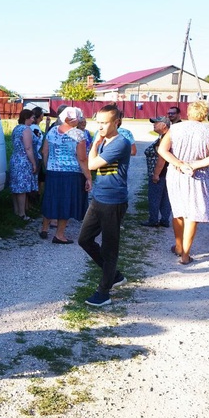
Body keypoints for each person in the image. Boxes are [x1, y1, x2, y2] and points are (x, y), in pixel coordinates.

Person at [79, 105, 131, 307]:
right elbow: (90, 162)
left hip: (114, 201)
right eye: (98, 122)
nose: (99, 126)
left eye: (104, 122)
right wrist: (96, 143)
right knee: (84, 240)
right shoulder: (102, 141)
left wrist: (94, 145)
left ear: (116, 122)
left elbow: (91, 165)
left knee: (110, 248)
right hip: (98, 198)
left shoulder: (121, 143)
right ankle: (115, 275)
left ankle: (104, 291)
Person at [157, 101, 209, 264]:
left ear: (188, 112)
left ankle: (178, 246)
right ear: (205, 114)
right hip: (198, 174)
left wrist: (179, 164)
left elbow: (162, 150)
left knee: (178, 210)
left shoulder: (175, 128)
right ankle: (185, 255)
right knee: (193, 213)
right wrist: (194, 165)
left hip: (176, 173)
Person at [38, 106, 92, 243]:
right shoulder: (79, 134)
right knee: (65, 202)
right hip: (71, 173)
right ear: (77, 118)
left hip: (52, 171)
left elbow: (44, 152)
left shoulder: (51, 131)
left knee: (51, 199)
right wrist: (88, 177)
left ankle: (44, 229)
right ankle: (59, 235)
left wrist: (47, 166)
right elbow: (82, 158)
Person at [141, 116, 172, 228]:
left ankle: (153, 220)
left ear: (164, 125)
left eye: (156, 123)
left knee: (154, 197)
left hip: (160, 172)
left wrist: (156, 174)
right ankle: (164, 220)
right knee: (165, 197)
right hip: (168, 173)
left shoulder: (165, 138)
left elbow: (161, 157)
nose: (153, 125)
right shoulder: (165, 136)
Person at [9, 109, 39, 220]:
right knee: (22, 187)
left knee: (15, 187)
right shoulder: (26, 130)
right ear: (26, 118)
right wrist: (33, 163)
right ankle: (22, 214)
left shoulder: (16, 128)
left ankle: (16, 211)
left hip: (15, 159)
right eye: (32, 117)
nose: (33, 120)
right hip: (23, 160)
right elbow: (28, 148)